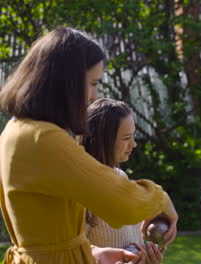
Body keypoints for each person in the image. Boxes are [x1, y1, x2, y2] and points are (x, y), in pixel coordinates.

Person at [0, 27, 178, 264]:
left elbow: (46, 234)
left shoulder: (16, 131)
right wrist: (161, 200)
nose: (94, 95)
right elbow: (121, 201)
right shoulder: (42, 139)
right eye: (93, 83)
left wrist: (92, 254)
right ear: (66, 83)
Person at [77, 98, 164, 264]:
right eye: (126, 138)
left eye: (133, 136)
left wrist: (147, 259)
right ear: (103, 140)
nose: (134, 144)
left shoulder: (121, 178)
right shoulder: (80, 189)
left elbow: (129, 244)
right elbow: (71, 253)